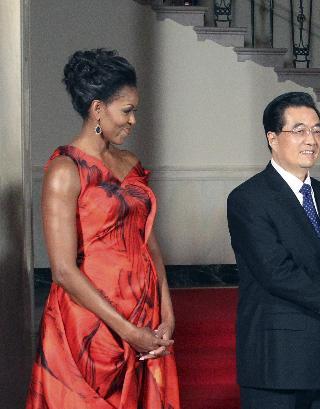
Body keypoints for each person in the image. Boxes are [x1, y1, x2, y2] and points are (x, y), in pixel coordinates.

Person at [26, 49, 180, 409]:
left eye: (135, 110)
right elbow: (63, 270)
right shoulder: (65, 170)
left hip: (145, 312)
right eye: (126, 110)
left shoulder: (131, 163)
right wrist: (127, 332)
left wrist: (167, 309)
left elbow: (149, 242)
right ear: (97, 109)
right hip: (91, 323)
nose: (133, 120)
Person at [227, 92, 320, 409]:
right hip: (277, 360)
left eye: (317, 130)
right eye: (299, 130)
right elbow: (276, 273)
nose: (311, 139)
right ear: (272, 137)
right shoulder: (248, 198)